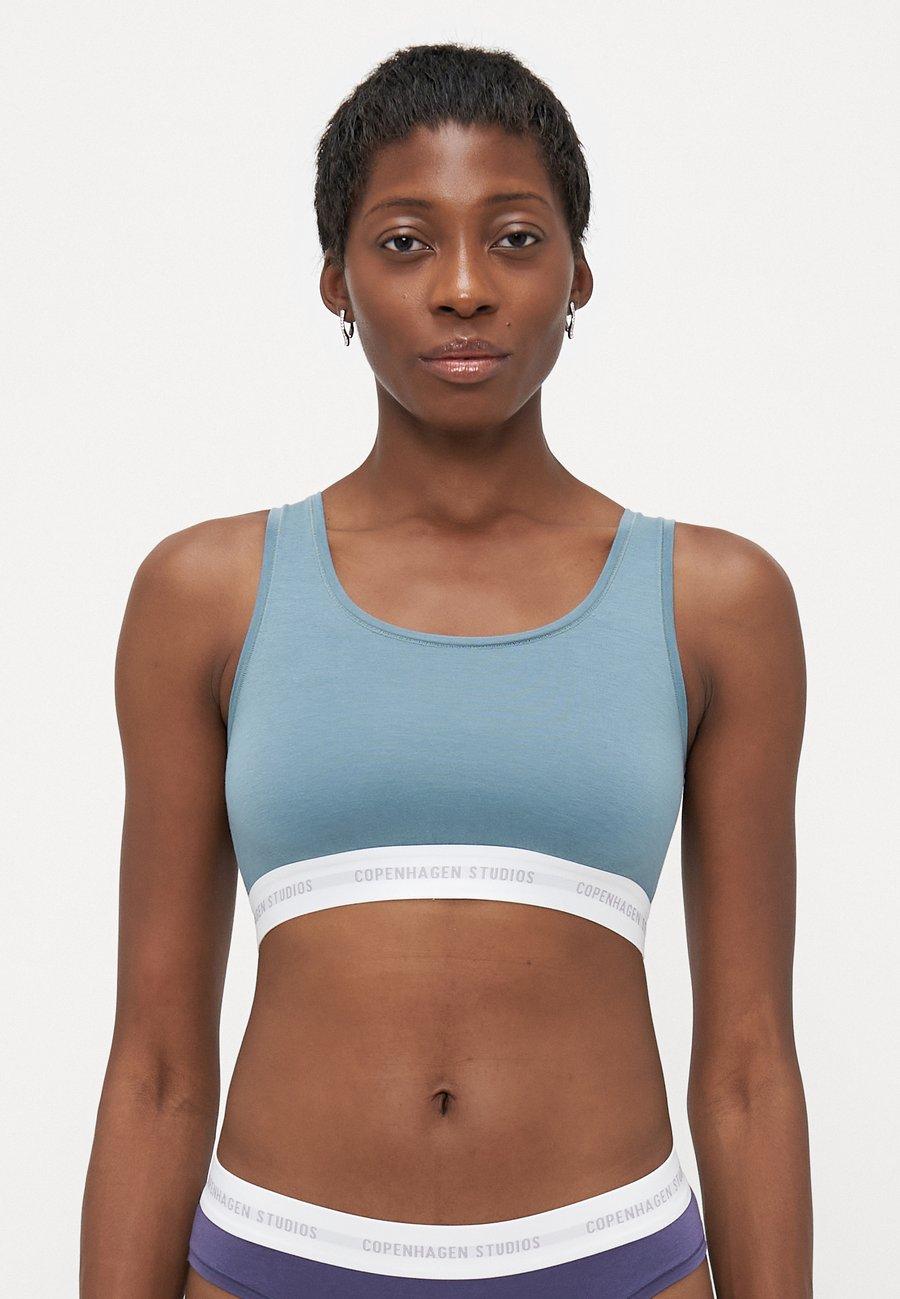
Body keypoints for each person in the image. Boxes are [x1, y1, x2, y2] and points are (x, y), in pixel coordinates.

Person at [80, 42, 813, 1299]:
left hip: (614, 1265)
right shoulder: (205, 595)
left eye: (516, 239)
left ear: (580, 273)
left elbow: (748, 1064)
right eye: (406, 243)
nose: (464, 289)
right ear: (337, 280)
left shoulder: (716, 603)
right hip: (273, 1265)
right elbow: (154, 1064)